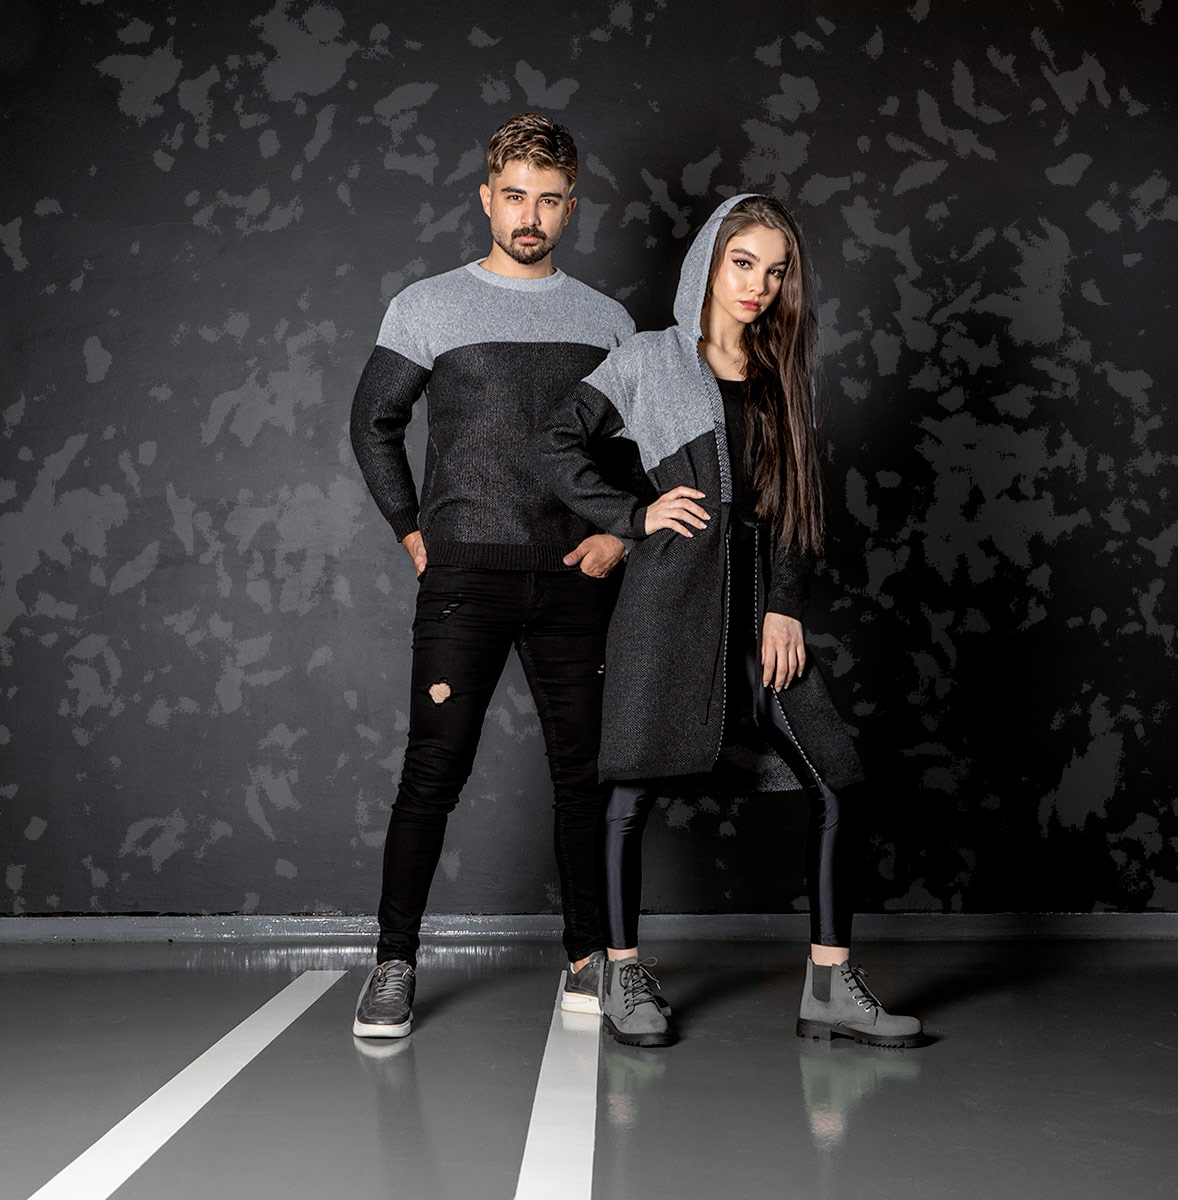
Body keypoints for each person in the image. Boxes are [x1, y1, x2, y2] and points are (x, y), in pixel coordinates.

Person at [542, 194, 923, 1049]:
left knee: (836, 779)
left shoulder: (780, 376)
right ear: (708, 263)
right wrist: (632, 516)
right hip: (668, 604)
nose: (758, 285)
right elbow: (554, 443)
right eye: (742, 263)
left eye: (775, 272)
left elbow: (794, 507)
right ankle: (621, 972)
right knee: (629, 789)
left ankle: (828, 986)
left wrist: (785, 604)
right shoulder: (647, 359)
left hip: (758, 611)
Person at [348, 113, 635, 1039]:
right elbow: (373, 422)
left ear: (571, 207)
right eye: (515, 196)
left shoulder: (607, 322)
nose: (530, 216)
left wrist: (621, 536)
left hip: (574, 580)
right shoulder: (427, 307)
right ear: (486, 198)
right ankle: (393, 964)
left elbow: (642, 449)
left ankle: (588, 959)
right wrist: (411, 529)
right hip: (465, 579)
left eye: (549, 200)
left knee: (585, 777)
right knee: (432, 771)